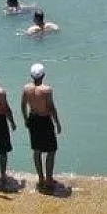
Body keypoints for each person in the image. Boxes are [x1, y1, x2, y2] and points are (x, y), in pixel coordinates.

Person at [23, 62, 62, 191]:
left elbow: (23, 105)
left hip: (33, 118)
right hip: (45, 120)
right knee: (51, 150)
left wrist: (25, 119)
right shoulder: (46, 90)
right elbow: (51, 107)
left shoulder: (26, 88)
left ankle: (40, 177)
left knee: (36, 150)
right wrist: (57, 123)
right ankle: (49, 179)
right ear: (43, 75)